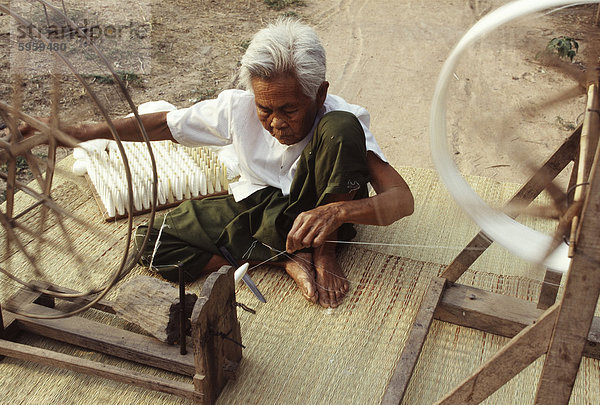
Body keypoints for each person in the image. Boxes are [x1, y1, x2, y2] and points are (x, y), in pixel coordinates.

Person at [21, 18, 414, 308]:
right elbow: (163, 124)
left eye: (290, 109)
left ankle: (323, 253)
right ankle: (285, 259)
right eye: (266, 109)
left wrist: (338, 210)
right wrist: (72, 131)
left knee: (341, 128)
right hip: (260, 209)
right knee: (151, 243)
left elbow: (401, 200)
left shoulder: (341, 117)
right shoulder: (237, 108)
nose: (276, 122)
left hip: (320, 217)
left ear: (319, 92)